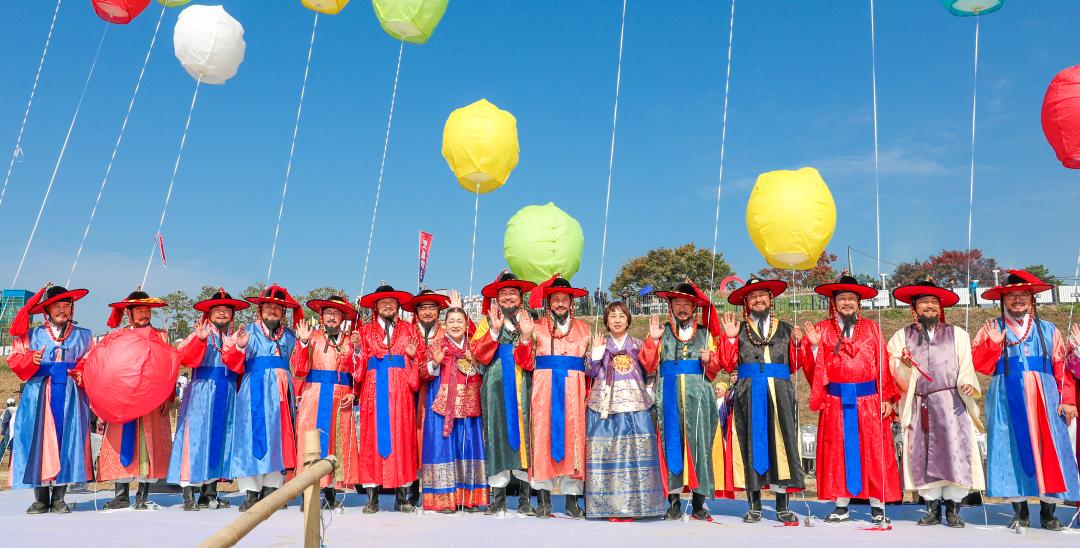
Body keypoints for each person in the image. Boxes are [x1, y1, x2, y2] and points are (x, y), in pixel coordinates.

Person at [971, 270, 1079, 531]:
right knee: (1009, 447)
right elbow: (980, 365)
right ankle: (1020, 512)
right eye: (1011, 295)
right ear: (1003, 300)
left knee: (1048, 448)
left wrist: (1067, 399)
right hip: (1005, 395)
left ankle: (1048, 512)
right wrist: (993, 345)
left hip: (1045, 396)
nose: (1017, 300)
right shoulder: (991, 328)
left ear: (1032, 298)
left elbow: (1060, 366)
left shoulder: (1048, 329)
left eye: (1023, 295)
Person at [802, 274, 901, 526]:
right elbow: (812, 370)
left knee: (874, 451)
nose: (847, 303)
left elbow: (882, 363)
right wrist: (814, 347)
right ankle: (841, 505)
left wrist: (886, 396)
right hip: (836, 401)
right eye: (842, 298)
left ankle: (878, 505)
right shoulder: (822, 329)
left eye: (851, 298)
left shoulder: (872, 328)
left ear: (859, 302)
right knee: (838, 452)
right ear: (833, 302)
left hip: (869, 399)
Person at [887, 280, 984, 528]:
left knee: (955, 454)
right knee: (922, 454)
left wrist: (967, 384)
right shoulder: (901, 337)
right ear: (914, 308)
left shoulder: (957, 334)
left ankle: (953, 509)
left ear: (940, 308)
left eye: (934, 303)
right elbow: (893, 371)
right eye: (924, 303)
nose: (929, 306)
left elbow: (966, 366)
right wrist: (903, 367)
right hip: (919, 403)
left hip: (952, 404)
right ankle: (931, 508)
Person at [716, 277, 807, 525]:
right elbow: (726, 364)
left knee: (782, 444)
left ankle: (782, 506)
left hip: (780, 392)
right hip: (748, 392)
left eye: (762, 295)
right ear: (746, 301)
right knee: (750, 444)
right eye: (752, 296)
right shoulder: (738, 329)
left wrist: (799, 345)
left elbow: (796, 365)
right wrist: (730, 339)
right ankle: (754, 505)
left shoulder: (786, 329)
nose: (758, 300)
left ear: (770, 298)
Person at [6, 284, 94, 514]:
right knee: (39, 442)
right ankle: (41, 498)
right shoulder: (31, 335)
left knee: (68, 442)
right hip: (39, 394)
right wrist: (30, 360)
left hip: (71, 396)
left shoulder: (84, 335)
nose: (62, 310)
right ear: (47, 310)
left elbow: (91, 361)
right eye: (57, 306)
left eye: (66, 305)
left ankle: (59, 498)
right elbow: (14, 360)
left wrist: (80, 371)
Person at [639, 281, 722, 521]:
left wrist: (710, 359)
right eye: (678, 303)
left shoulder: (705, 333)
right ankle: (673, 501)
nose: (682, 308)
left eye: (687, 304)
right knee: (671, 442)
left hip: (699, 394)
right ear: (671, 306)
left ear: (694, 307)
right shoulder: (660, 331)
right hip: (669, 393)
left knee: (700, 443)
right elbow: (647, 364)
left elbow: (718, 367)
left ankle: (698, 502)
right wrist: (653, 341)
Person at [93, 290, 176, 511]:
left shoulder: (161, 336)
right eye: (139, 310)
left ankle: (143, 496)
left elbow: (170, 368)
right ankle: (121, 496)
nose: (144, 314)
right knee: (120, 444)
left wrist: (167, 396)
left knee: (149, 447)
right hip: (122, 400)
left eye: (147, 310)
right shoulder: (116, 337)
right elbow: (105, 366)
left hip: (152, 400)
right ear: (129, 313)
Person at [222, 284, 303, 512]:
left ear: (283, 312)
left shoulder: (290, 336)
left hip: (282, 394)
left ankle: (272, 489)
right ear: (260, 309)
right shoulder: (247, 331)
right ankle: (251, 491)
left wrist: (304, 343)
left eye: (277, 308)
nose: (272, 311)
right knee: (251, 437)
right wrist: (239, 347)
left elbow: (301, 364)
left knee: (280, 436)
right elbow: (229, 361)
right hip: (254, 391)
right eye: (268, 307)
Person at [516, 275, 590, 519]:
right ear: (548, 302)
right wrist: (525, 338)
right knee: (542, 438)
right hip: (544, 389)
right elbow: (525, 362)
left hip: (574, 390)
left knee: (574, 440)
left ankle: (572, 501)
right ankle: (543, 500)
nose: (559, 303)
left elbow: (590, 365)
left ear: (571, 302)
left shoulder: (584, 328)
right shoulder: (536, 327)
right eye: (555, 299)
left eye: (564, 299)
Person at [168, 289, 249, 510]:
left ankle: (209, 493)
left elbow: (237, 366)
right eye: (217, 310)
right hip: (202, 392)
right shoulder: (198, 333)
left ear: (232, 314)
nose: (222, 314)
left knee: (221, 438)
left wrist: (240, 347)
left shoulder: (233, 338)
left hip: (227, 391)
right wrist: (200, 340)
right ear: (209, 313)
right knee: (195, 439)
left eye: (226, 310)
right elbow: (186, 359)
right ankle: (188, 494)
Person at [584, 301, 665, 521]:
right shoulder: (600, 344)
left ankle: (638, 506)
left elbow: (650, 367)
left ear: (628, 320)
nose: (617, 320)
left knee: (635, 456)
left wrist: (653, 340)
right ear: (606, 321)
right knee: (607, 455)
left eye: (621, 316)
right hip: (604, 407)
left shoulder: (638, 344)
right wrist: (596, 353)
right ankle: (609, 507)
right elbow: (590, 372)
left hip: (635, 406)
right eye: (613, 316)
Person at [470, 271, 538, 515]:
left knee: (525, 436)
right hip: (495, 386)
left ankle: (525, 499)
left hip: (523, 384)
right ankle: (498, 499)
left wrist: (527, 337)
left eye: (513, 293)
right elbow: (477, 354)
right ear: (497, 298)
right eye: (504, 293)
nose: (508, 297)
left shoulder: (531, 320)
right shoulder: (486, 322)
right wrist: (494, 333)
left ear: (521, 297)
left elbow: (532, 361)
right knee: (496, 434)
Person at [354, 284, 425, 513]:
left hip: (401, 392)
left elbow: (420, 358)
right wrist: (357, 350)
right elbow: (357, 369)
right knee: (371, 440)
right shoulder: (364, 331)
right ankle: (372, 499)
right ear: (375, 305)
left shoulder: (410, 330)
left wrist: (413, 357)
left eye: (391, 301)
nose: (387, 305)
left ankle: (402, 498)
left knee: (403, 439)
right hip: (373, 392)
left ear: (397, 305)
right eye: (382, 301)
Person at [293, 295, 362, 510]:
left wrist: (354, 393)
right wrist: (303, 343)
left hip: (341, 397)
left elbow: (359, 372)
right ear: (322, 316)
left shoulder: (350, 341)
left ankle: (331, 494)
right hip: (314, 396)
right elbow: (299, 368)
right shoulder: (312, 337)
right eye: (328, 313)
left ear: (342, 317)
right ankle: (308, 494)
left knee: (336, 443)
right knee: (311, 443)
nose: (332, 317)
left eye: (336, 314)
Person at [419, 304, 488, 513]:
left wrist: (474, 360)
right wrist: (435, 363)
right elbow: (422, 372)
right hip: (442, 404)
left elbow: (483, 370)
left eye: (460, 321)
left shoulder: (472, 346)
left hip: (468, 402)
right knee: (443, 449)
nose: (455, 325)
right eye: (451, 321)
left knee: (467, 447)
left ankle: (468, 498)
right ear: (445, 324)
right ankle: (443, 500)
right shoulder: (437, 345)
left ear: (467, 324)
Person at [0, 398, 15, 465]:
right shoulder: (16, 409)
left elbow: (5, 421)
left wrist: (2, 431)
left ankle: (10, 463)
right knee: (2, 445)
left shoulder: (8, 410)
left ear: (7, 404)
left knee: (7, 447)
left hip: (7, 432)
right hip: (14, 431)